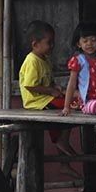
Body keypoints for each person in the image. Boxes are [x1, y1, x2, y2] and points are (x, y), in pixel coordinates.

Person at [18, 20, 79, 176]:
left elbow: (48, 80)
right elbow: (29, 86)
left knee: (68, 109)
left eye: (53, 42)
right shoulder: (32, 60)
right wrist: (50, 91)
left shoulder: (45, 59)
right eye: (49, 43)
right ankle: (63, 143)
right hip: (36, 102)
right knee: (69, 108)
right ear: (35, 44)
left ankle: (63, 162)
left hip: (46, 99)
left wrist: (56, 87)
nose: (52, 46)